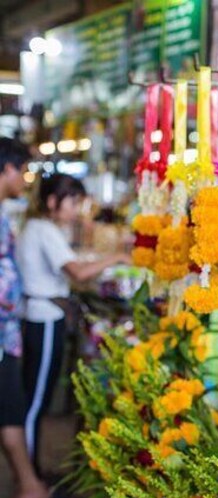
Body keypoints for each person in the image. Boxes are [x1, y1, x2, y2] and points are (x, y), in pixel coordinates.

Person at [17, 173, 129, 475]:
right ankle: (30, 477)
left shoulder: (41, 227)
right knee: (35, 400)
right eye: (73, 202)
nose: (76, 209)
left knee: (36, 397)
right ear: (53, 201)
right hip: (44, 319)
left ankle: (33, 470)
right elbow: (78, 273)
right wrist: (117, 256)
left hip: (41, 316)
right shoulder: (44, 229)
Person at [0, 139, 65, 498]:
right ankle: (30, 487)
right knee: (11, 409)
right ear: (6, 168)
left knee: (11, 409)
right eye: (22, 170)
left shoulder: (6, 213)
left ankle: (30, 486)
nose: (25, 179)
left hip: (7, 332)